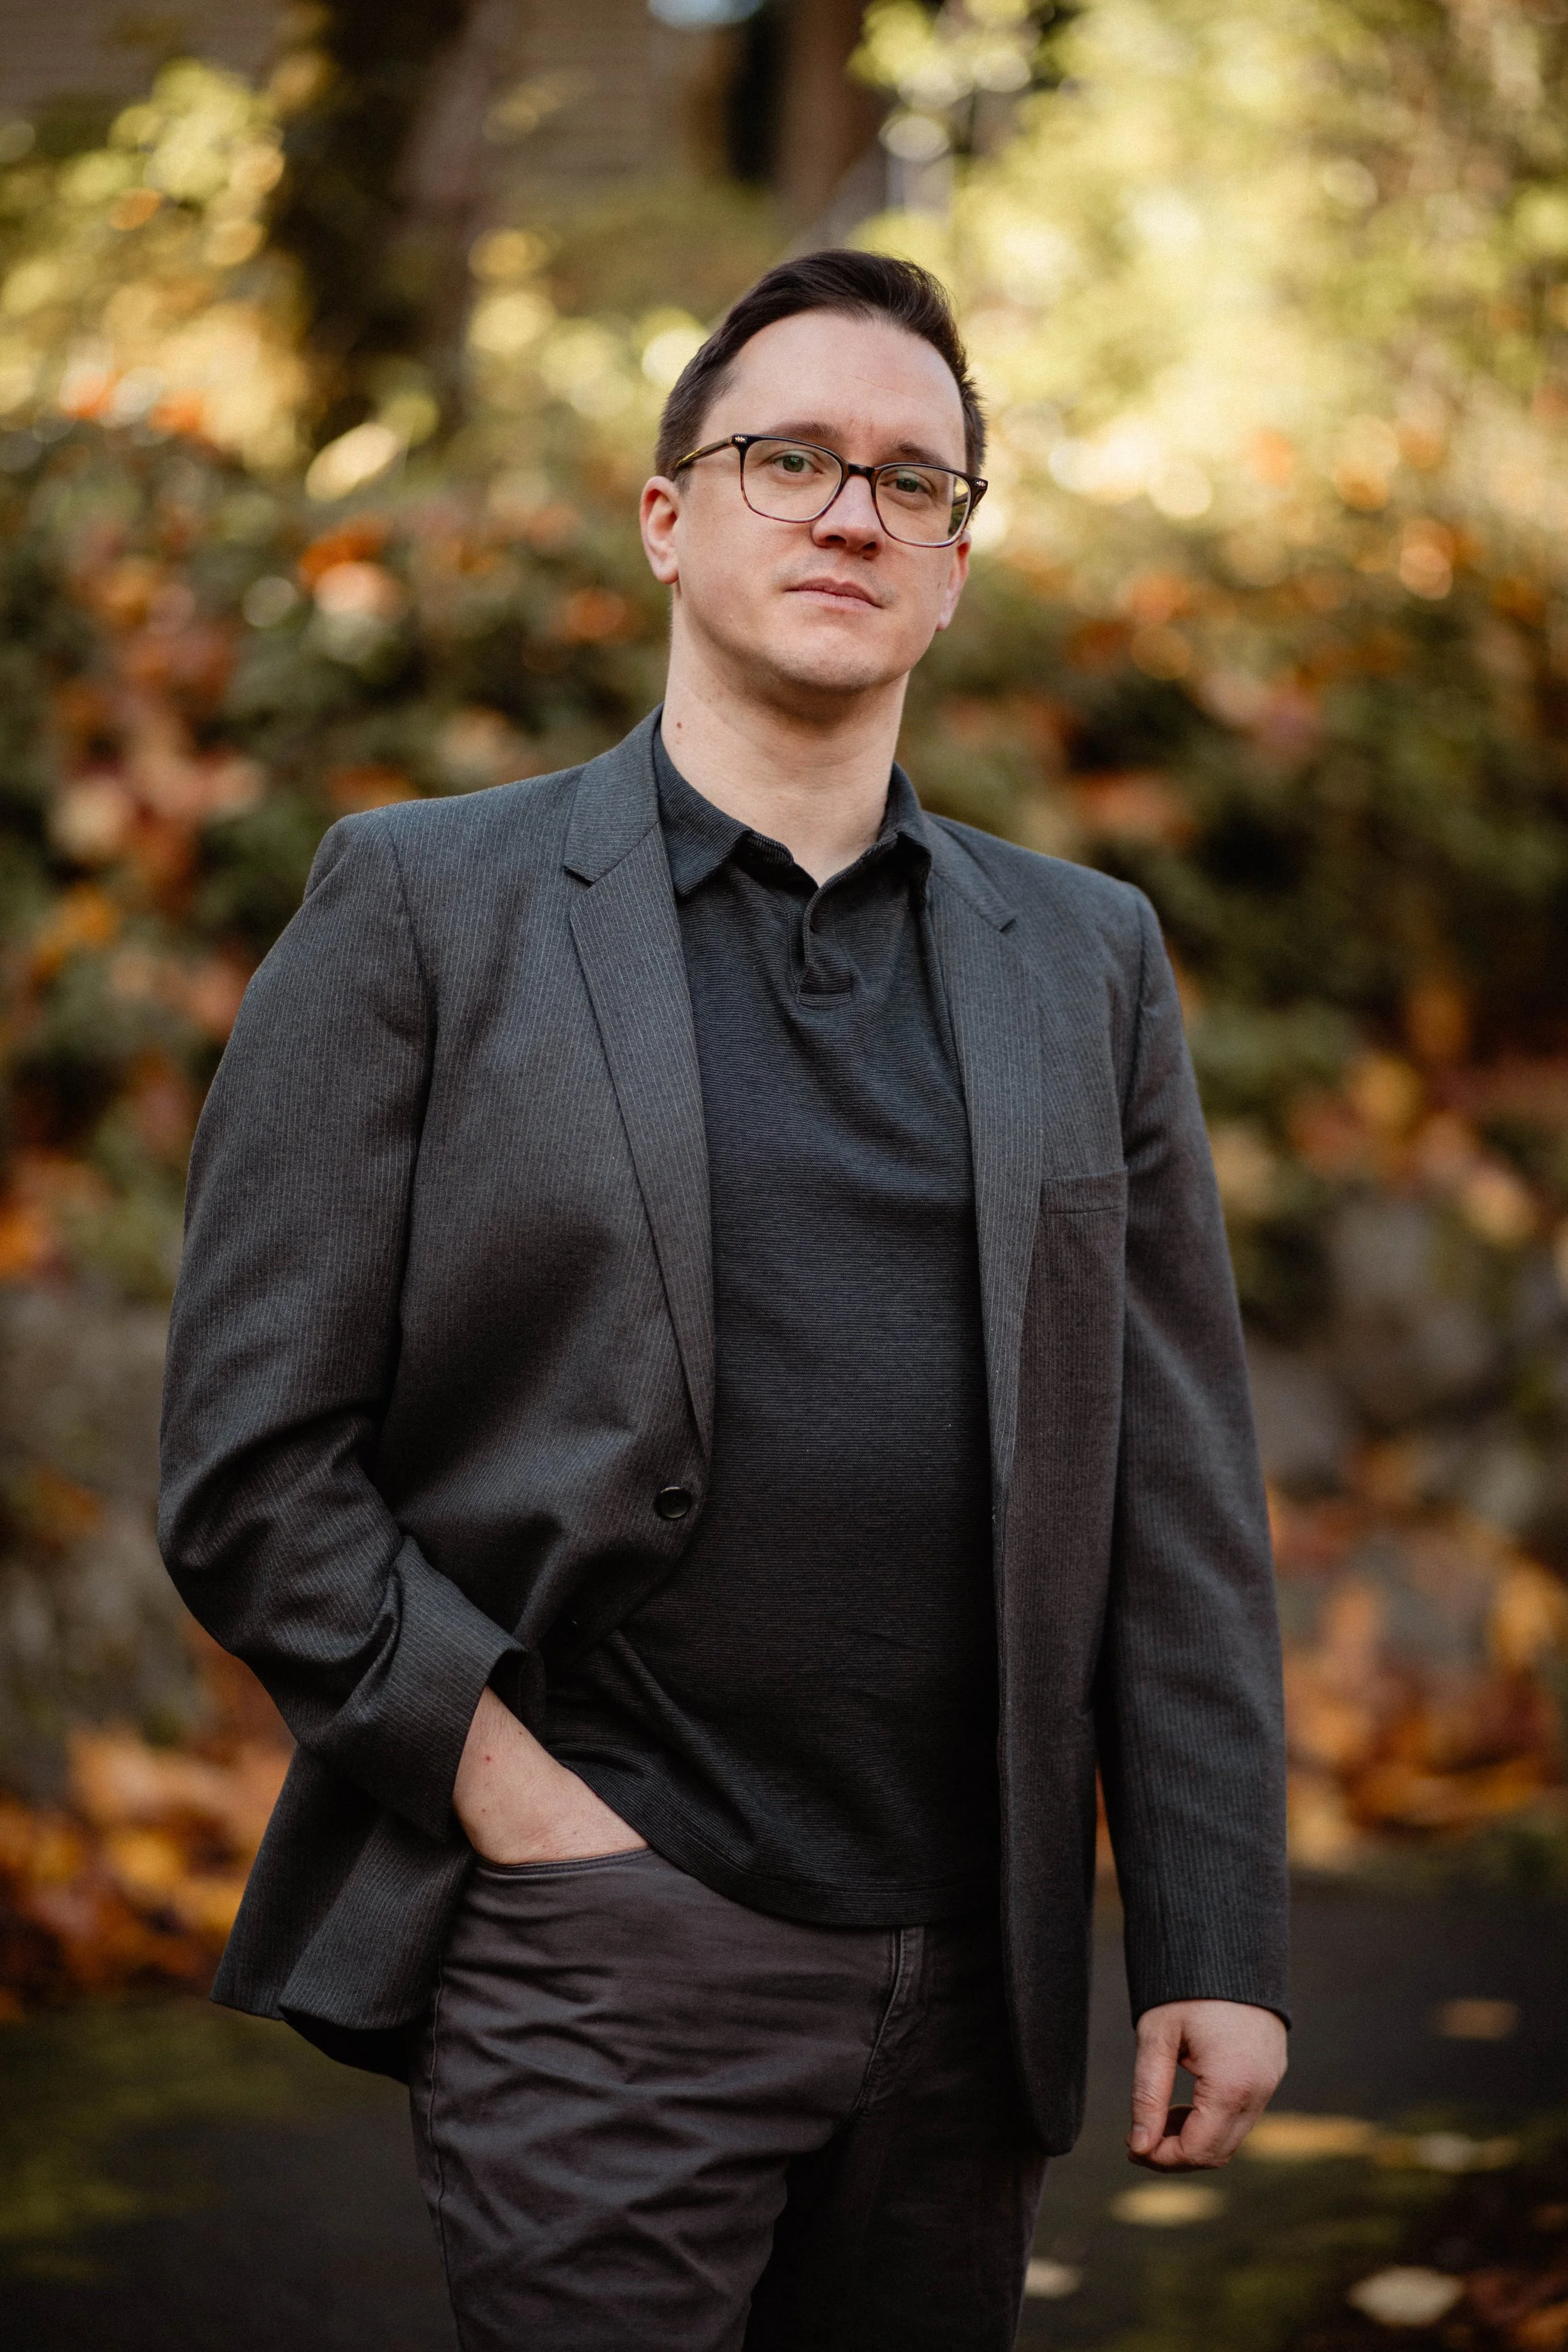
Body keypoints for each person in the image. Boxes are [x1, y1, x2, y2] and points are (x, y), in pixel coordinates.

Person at [159, 249, 1289, 2352]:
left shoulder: (1086, 957)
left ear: (954, 564)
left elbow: (1172, 1496)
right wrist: (516, 1795)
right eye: (791, 460)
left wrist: (1214, 1936)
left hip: (972, 1970)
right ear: (669, 516)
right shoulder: (421, 905)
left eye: (914, 482)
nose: (853, 511)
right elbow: (250, 1462)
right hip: (605, 1940)